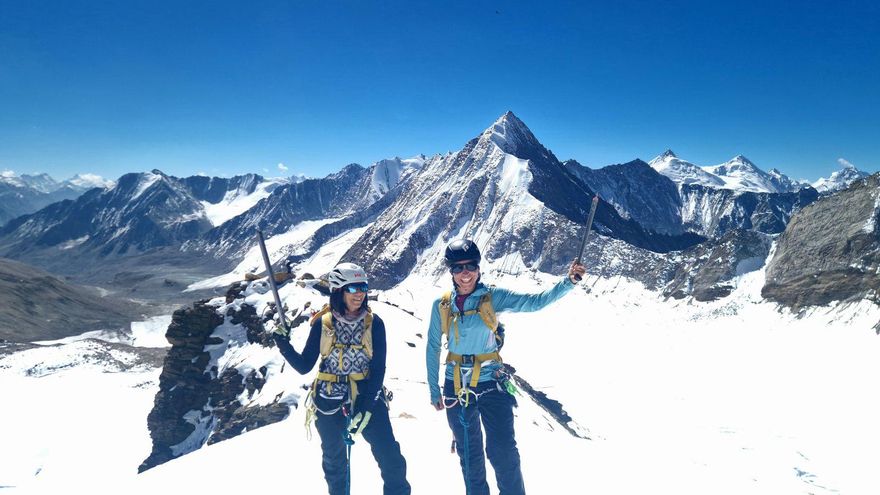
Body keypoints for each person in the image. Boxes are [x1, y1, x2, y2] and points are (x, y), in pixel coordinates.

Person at [425, 239, 586, 495]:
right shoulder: (442, 306)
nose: (465, 273)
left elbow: (535, 302)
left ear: (478, 268)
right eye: (458, 268)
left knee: (503, 453)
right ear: (451, 272)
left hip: (490, 381)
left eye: (470, 266)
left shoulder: (494, 298)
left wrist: (569, 282)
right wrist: (434, 390)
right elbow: (433, 346)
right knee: (470, 456)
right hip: (455, 385)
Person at [273, 262, 411, 495]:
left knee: (391, 459)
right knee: (335, 462)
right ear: (338, 290)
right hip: (330, 400)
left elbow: (379, 369)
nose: (360, 294)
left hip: (364, 395)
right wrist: (282, 344)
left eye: (363, 287)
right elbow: (305, 365)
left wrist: (366, 408)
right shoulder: (322, 323)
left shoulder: (374, 323)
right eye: (353, 288)